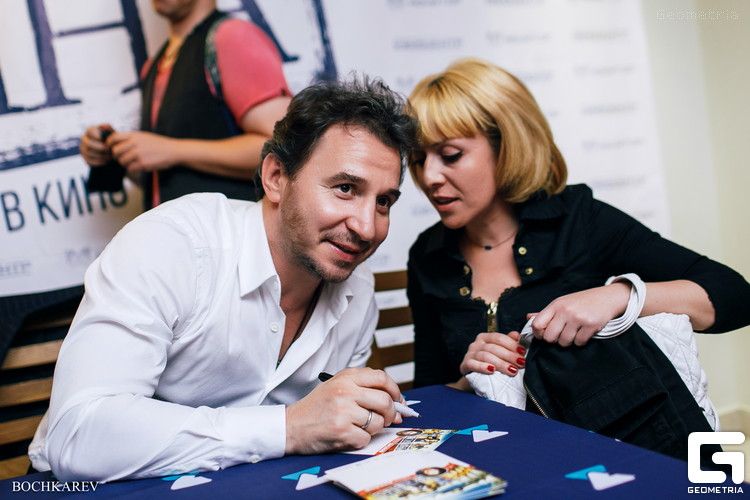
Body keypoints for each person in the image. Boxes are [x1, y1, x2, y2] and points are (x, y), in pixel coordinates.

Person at [28, 77, 419, 482]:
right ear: (276, 177)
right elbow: (78, 435)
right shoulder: (174, 245)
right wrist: (287, 427)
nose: (367, 227)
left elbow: (333, 433)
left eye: (383, 201)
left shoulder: (357, 288)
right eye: (345, 188)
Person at [405, 58, 750, 460]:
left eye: (450, 155)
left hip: (623, 451)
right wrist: (469, 379)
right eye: (418, 159)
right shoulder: (428, 255)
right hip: (513, 461)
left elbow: (735, 296)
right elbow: (427, 393)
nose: (429, 177)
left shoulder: (580, 220)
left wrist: (620, 296)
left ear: (506, 147)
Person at [80, 0, 292, 209]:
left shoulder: (232, 37)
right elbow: (170, 179)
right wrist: (118, 154)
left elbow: (285, 150)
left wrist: (171, 151)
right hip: (180, 229)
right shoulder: (153, 66)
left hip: (230, 228)